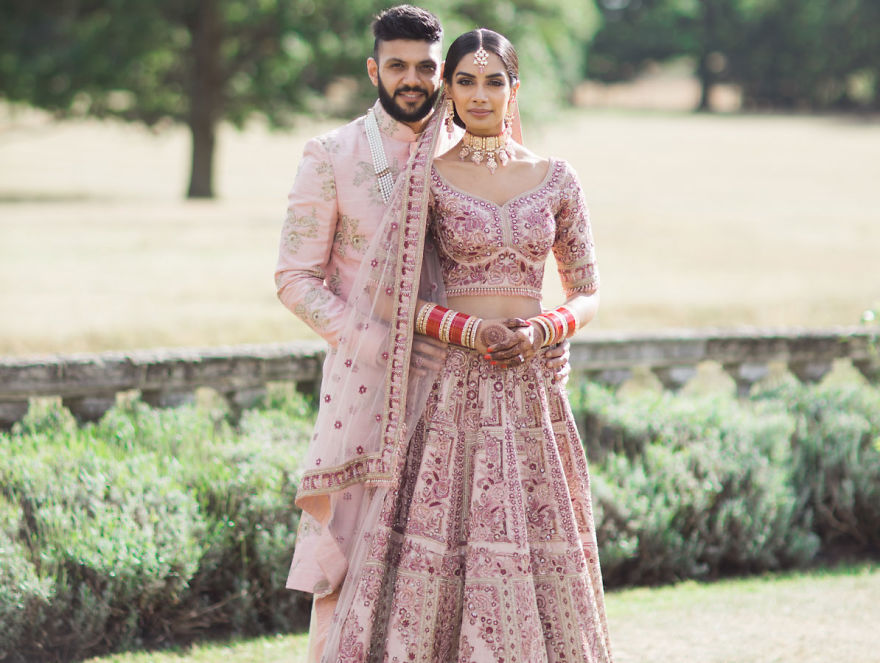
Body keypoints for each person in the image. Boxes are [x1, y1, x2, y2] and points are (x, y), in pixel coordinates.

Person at [275, 7, 572, 661]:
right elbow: (294, 279)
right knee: (356, 553)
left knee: (457, 557)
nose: (414, 80)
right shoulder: (333, 155)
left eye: (426, 68)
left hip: (470, 387)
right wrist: (388, 343)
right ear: (373, 68)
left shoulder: (460, 145)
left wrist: (539, 333)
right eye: (398, 65)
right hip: (371, 385)